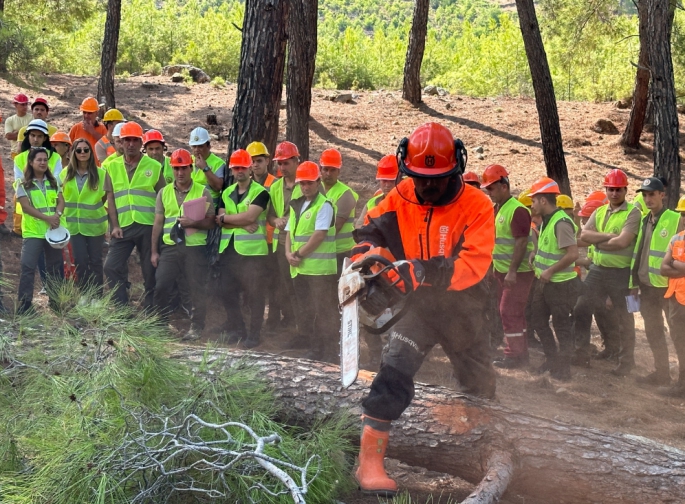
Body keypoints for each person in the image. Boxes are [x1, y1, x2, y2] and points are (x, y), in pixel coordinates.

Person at [352, 123, 495, 496]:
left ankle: (485, 451)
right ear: (408, 169)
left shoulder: (477, 205)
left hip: (463, 307)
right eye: (420, 177)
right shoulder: (401, 194)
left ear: (455, 169)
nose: (428, 186)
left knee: (480, 384)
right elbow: (369, 229)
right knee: (393, 371)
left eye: (437, 178)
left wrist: (424, 269)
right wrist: (365, 258)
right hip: (419, 308)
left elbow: (474, 263)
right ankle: (369, 462)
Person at [573, 169, 641, 376]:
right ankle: (581, 354)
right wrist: (607, 237)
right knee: (581, 308)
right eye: (610, 189)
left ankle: (626, 362)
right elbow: (584, 235)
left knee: (625, 317)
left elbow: (623, 242)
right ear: (606, 190)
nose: (614, 193)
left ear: (625, 190)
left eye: (618, 189)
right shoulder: (600, 211)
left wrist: (598, 240)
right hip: (598, 270)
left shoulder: (633, 213)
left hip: (623, 274)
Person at [151, 149, 214, 341]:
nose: (180, 173)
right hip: (170, 247)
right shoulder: (164, 192)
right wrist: (154, 251)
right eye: (176, 168)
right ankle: (161, 324)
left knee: (197, 288)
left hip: (194, 248)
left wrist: (193, 223)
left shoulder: (203, 192)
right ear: (172, 169)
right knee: (161, 284)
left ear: (191, 168)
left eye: (184, 168)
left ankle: (197, 327)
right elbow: (158, 223)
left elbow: (211, 222)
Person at [103, 121, 165, 308]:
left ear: (141, 143)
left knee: (150, 269)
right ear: (120, 142)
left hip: (148, 226)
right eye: (126, 140)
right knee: (111, 266)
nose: (130, 144)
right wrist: (114, 226)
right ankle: (122, 304)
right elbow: (110, 199)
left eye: (135, 140)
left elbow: (163, 197)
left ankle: (151, 304)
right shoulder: (111, 167)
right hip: (123, 226)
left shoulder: (153, 166)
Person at [482, 164, 535, 369]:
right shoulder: (498, 209)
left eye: (491, 188)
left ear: (504, 186)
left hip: (517, 273)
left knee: (508, 311)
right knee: (514, 312)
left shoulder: (517, 210)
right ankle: (521, 354)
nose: (489, 193)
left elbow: (521, 242)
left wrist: (512, 271)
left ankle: (513, 354)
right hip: (502, 271)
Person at [629, 178, 681, 386]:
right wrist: (633, 282)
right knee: (653, 331)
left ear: (663, 195)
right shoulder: (644, 220)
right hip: (646, 286)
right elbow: (638, 253)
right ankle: (662, 374)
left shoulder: (675, 219)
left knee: (678, 334)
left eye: (652, 194)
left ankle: (682, 381)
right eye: (645, 195)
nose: (648, 199)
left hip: (669, 288)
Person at [284, 161, 338, 361]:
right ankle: (315, 348)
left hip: (319, 271)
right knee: (308, 310)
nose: (305, 187)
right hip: (301, 269)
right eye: (302, 183)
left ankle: (329, 351)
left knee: (323, 312)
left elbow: (319, 235)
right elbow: (290, 232)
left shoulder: (324, 205)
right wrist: (288, 253)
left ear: (317, 182)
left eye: (309, 183)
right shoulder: (297, 204)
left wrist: (297, 254)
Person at [216, 149, 270, 348]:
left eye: (243, 167)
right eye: (235, 168)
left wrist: (230, 219)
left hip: (253, 253)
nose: (239, 171)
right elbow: (219, 221)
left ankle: (254, 335)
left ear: (250, 169)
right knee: (225, 291)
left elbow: (250, 217)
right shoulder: (227, 192)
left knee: (256, 295)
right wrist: (241, 222)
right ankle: (238, 329)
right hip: (229, 251)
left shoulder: (261, 193)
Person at [528, 177, 580, 381]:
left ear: (543, 201)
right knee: (537, 321)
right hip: (544, 283)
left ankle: (564, 369)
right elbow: (550, 248)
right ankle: (552, 360)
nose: (531, 205)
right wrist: (535, 254)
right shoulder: (545, 222)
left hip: (560, 285)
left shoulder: (561, 222)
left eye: (533, 201)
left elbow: (573, 254)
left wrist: (550, 271)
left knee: (561, 327)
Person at [16, 148, 65, 313]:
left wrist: (57, 215)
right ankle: (24, 306)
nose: (43, 162)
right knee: (28, 266)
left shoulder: (53, 182)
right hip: (33, 232)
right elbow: (26, 207)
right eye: (39, 160)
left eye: (45, 160)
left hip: (53, 232)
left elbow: (61, 201)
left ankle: (56, 303)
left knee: (54, 267)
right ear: (31, 162)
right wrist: (48, 218)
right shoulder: (23, 183)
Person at [59, 138, 109, 290]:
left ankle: (97, 295)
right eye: (79, 150)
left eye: (86, 150)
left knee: (95, 261)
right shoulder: (64, 174)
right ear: (73, 152)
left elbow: (106, 197)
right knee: (80, 261)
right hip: (74, 227)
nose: (82, 153)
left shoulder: (101, 174)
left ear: (91, 153)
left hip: (95, 226)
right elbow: (60, 197)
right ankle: (84, 294)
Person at [266, 141, 302, 330]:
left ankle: (303, 328)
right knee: (285, 286)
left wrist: (289, 220)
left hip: (301, 245)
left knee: (300, 288)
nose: (282, 167)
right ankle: (292, 323)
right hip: (280, 244)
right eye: (279, 163)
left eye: (286, 163)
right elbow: (270, 215)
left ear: (297, 161)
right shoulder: (274, 187)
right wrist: (276, 221)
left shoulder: (306, 184)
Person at [247, 141, 281, 330]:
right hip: (253, 242)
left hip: (271, 240)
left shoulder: (275, 184)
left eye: (259, 160)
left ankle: (274, 318)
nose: (255, 164)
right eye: (252, 161)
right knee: (256, 283)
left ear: (267, 160)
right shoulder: (246, 184)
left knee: (274, 282)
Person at [319, 148, 359, 273]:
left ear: (338, 171)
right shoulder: (315, 189)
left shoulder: (345, 194)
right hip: (323, 250)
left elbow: (336, 226)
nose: (328, 173)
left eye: (332, 170)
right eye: (325, 169)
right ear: (320, 169)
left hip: (341, 251)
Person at [656, 228, 685, 397]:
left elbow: (669, 264)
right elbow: (663, 268)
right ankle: (682, 385)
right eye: (683, 213)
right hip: (676, 300)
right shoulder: (677, 238)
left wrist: (674, 262)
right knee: (681, 344)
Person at [355, 155, 399, 228]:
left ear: (399, 178)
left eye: (391, 181)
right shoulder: (372, 203)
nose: (387, 185)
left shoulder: (407, 201)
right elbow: (359, 225)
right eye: (384, 181)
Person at [188, 127, 225, 207]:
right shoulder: (188, 160)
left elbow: (218, 187)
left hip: (209, 209)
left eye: (200, 146)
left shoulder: (218, 163)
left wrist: (205, 169)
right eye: (194, 146)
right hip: (190, 207)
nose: (197, 150)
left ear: (208, 146)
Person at [4, 93, 31, 159]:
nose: (25, 107)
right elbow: (8, 136)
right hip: (15, 152)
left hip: (30, 152)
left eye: (26, 104)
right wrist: (26, 134)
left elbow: (34, 135)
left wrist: (17, 133)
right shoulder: (10, 120)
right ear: (15, 105)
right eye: (22, 104)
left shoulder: (32, 118)